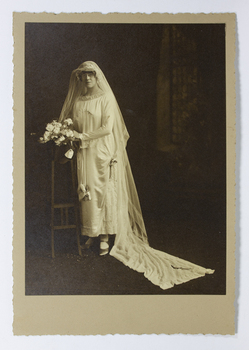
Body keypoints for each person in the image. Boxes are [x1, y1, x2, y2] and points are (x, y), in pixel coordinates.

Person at [59, 61, 214, 290]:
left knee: (103, 191)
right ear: (80, 78)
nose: (88, 78)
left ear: (98, 76)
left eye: (91, 74)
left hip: (102, 151)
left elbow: (107, 128)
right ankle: (91, 232)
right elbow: (72, 122)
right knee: (87, 191)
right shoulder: (78, 100)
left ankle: (105, 237)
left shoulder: (106, 99)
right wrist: (67, 132)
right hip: (85, 153)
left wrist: (83, 137)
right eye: (84, 75)